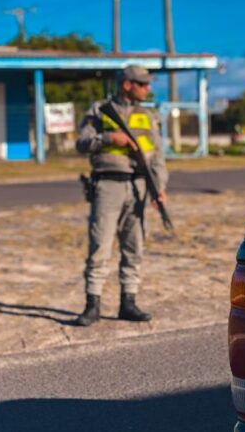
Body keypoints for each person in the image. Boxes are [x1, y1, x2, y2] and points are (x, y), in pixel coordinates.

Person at [74, 65, 168, 327]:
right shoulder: (99, 110)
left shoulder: (147, 115)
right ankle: (92, 304)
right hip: (108, 185)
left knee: (134, 246)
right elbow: (81, 143)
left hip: (138, 185)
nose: (147, 89)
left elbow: (158, 156)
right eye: (142, 84)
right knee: (99, 246)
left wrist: (159, 187)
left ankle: (129, 301)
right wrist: (108, 138)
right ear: (126, 84)